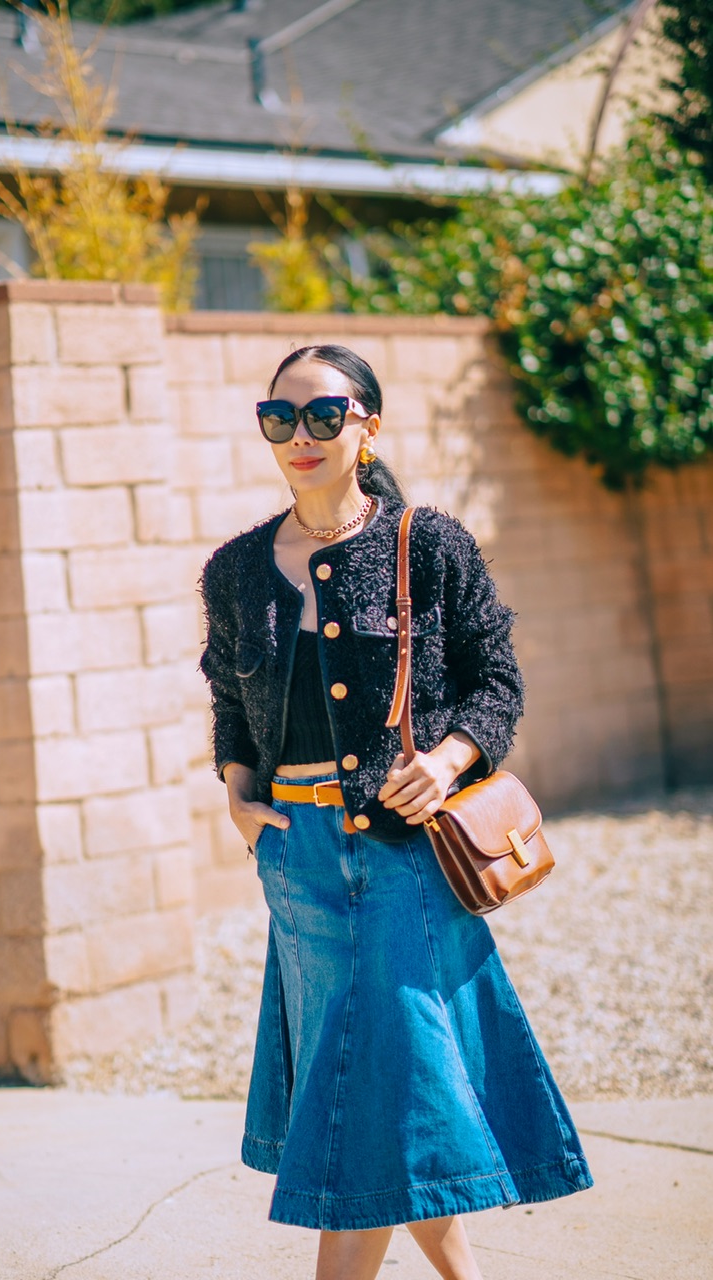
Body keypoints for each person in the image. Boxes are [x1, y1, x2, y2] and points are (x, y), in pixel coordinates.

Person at [199, 344, 592, 1280]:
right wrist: (237, 795)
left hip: (409, 860)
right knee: (391, 1081)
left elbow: (496, 684)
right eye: (280, 418)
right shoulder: (237, 570)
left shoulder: (430, 543)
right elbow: (227, 698)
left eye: (325, 416)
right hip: (296, 865)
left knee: (370, 1081)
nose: (302, 436)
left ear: (368, 425)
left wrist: (452, 756)